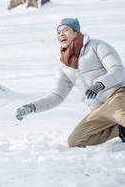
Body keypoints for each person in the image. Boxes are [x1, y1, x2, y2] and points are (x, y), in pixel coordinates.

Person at [16, 18, 125, 147]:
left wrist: (99, 84)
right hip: (98, 110)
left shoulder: (96, 46)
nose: (61, 34)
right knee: (75, 141)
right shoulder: (64, 65)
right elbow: (57, 95)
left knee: (121, 114)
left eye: (65, 30)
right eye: (58, 32)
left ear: (76, 33)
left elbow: (118, 69)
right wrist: (32, 107)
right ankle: (118, 129)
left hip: (116, 96)